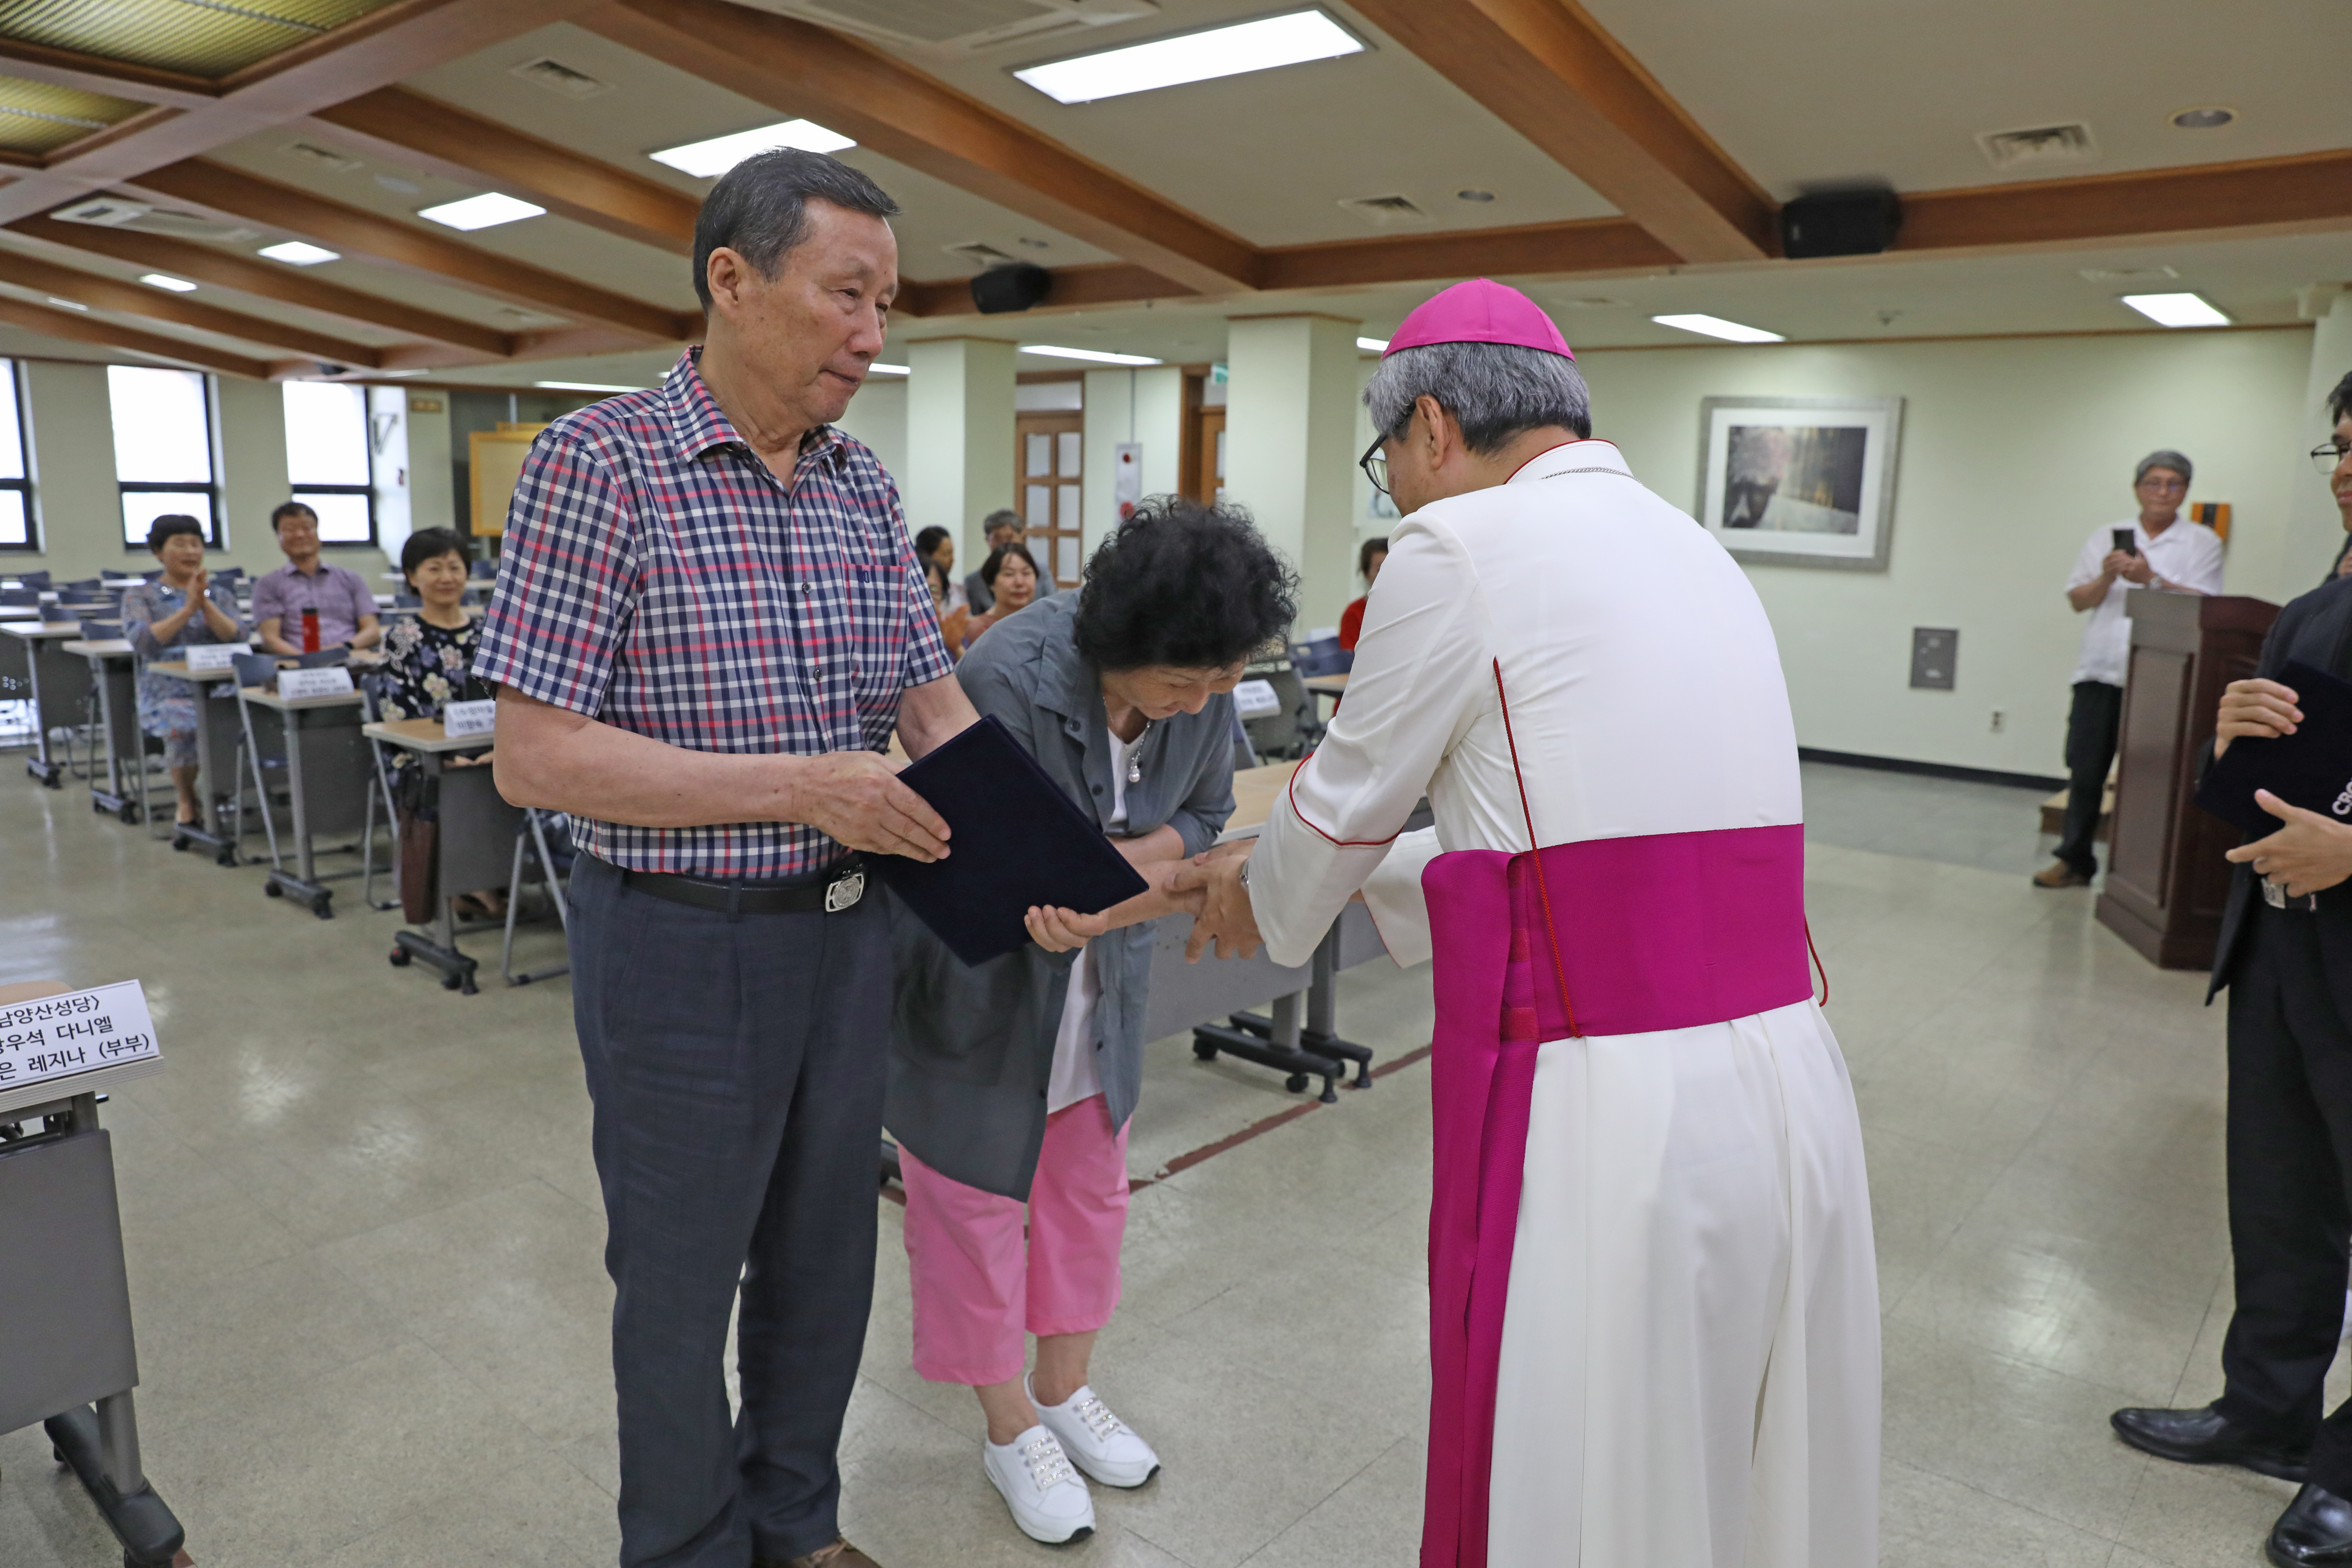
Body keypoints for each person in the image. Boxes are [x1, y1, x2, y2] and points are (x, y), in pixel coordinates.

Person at [1175, 279, 1881, 1568]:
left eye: (1384, 457)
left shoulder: (1458, 551)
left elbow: (1333, 815)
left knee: (1592, 1478)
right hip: (1785, 1082)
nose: (1389, 490)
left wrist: (1252, 890)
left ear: (1432, 427)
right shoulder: (1693, 544)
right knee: (1738, 1460)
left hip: (1610, 1109)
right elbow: (1579, 845)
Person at [475, 148, 980, 1568]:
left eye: (888, 305)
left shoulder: (861, 485)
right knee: (683, 1283)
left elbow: (926, 704)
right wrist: (804, 788)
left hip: (846, 934)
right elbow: (540, 753)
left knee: (826, 1262)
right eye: (847, 297)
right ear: (732, 280)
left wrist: (1023, 843)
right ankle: (688, 1547)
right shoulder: (603, 466)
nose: (873, 338)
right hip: (679, 943)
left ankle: (797, 1525)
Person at [887, 499, 1294, 1545]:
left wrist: (1118, 882)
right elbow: (1008, 872)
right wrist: (1162, 872)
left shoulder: (1196, 686)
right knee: (972, 1213)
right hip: (979, 987)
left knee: (1086, 1197)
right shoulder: (1006, 678)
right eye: (1184, 682)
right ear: (1121, 642)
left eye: (1216, 682)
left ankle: (1065, 1390)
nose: (1201, 702)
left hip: (1100, 984)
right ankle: (1008, 1421)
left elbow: (1208, 815)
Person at [2109, 370, 2352, 1568]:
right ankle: (2266, 1411)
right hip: (2281, 953)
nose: (2351, 467)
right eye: (2342, 446)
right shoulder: (2314, 606)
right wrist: (2229, 737)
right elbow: (2267, 785)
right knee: (2282, 1199)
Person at [2034, 450, 2225, 888]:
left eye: (2173, 484)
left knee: (2153, 777)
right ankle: (2075, 860)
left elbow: (2208, 606)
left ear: (2186, 491)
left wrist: (2151, 579)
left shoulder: (2202, 542)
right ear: (2137, 488)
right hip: (2101, 672)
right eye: (2153, 482)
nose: (2162, 492)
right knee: (2086, 771)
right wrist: (2107, 577)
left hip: (2164, 679)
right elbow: (2078, 600)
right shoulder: (2106, 536)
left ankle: (2142, 873)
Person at [376, 527, 503, 921]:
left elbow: (510, 703)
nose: (447, 577)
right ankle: (473, 882)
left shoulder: (489, 632)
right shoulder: (402, 638)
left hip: (494, 750)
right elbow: (396, 715)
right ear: (413, 577)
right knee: (453, 783)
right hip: (425, 759)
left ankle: (494, 876)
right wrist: (445, 758)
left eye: (455, 566)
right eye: (434, 568)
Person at [119, 513, 245, 828]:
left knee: (247, 716)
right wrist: (188, 609)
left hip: (220, 684)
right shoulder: (140, 595)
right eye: (180, 544)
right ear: (159, 552)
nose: (190, 551)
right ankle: (187, 798)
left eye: (196, 544)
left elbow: (238, 637)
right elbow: (144, 641)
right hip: (167, 689)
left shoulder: (219, 593)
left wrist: (203, 602)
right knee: (183, 725)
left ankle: (223, 790)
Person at [251, 500, 383, 656]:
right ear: (278, 537)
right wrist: (309, 662)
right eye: (290, 530)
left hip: (351, 662)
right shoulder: (268, 585)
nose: (300, 535)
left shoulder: (351, 579)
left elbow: (373, 631)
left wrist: (342, 649)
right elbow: (271, 640)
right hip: (298, 667)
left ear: (319, 534)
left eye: (307, 528)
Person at [963, 543, 1040, 647]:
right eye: (1010, 574)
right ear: (992, 583)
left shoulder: (1044, 624)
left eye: (1026, 573)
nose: (1020, 582)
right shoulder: (979, 629)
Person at [965, 509, 1025, 612]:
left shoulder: (1041, 572)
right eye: (998, 539)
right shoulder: (974, 581)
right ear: (988, 540)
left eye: (1010, 538)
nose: (1004, 544)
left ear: (1021, 538)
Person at [1337, 534, 1387, 651]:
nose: (1389, 575)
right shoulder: (1355, 613)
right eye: (1380, 569)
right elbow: (1350, 659)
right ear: (1366, 573)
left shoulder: (1411, 609)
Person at [922, 557, 969, 657]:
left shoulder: (952, 633)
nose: (925, 599)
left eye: (933, 590)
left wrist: (957, 648)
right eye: (920, 589)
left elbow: (971, 672)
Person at [914, 525, 966, 611]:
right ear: (929, 556)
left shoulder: (958, 590)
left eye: (952, 553)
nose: (952, 560)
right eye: (946, 554)